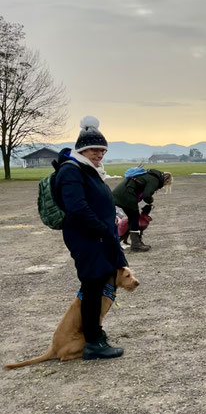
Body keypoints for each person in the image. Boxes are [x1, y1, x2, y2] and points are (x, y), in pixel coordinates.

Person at [53, 116, 128, 360]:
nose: (99, 154)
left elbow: (97, 201)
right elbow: (77, 207)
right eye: (95, 149)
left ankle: (93, 335)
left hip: (97, 237)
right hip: (87, 239)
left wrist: (112, 216)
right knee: (93, 287)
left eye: (103, 150)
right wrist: (100, 228)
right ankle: (93, 341)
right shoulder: (71, 170)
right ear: (83, 149)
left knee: (96, 286)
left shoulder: (87, 169)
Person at [112, 168, 171, 252]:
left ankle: (135, 242)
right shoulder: (154, 180)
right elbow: (146, 195)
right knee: (135, 218)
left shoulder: (148, 175)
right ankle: (136, 244)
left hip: (119, 194)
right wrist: (150, 200)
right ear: (166, 181)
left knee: (133, 218)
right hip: (127, 195)